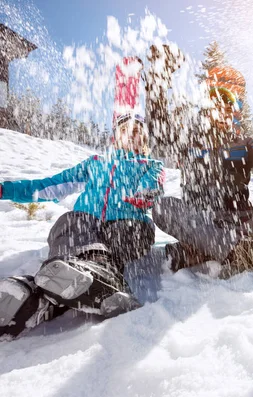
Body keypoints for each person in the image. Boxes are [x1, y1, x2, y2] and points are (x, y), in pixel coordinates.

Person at [0, 113, 164, 339]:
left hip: (129, 224)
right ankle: (38, 298)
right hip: (88, 226)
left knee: (121, 230)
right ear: (114, 138)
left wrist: (143, 194)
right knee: (70, 222)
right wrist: (5, 190)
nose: (132, 136)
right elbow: (51, 185)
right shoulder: (96, 164)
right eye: (126, 131)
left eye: (137, 132)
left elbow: (153, 188)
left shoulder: (150, 166)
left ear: (144, 140)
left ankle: (104, 277)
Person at [152, 81, 253, 277]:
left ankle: (200, 250)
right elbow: (160, 134)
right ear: (207, 112)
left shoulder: (244, 143)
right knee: (161, 206)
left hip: (240, 223)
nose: (224, 115)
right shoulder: (189, 141)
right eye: (217, 109)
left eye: (228, 110)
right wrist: (157, 84)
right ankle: (245, 252)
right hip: (201, 221)